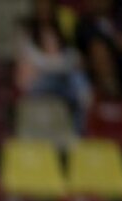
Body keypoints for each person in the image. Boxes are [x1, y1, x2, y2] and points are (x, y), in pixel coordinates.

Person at [16, 0, 93, 130]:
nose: (44, 10)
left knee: (76, 76)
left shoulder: (59, 31)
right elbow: (35, 60)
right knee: (63, 76)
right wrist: (59, 65)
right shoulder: (26, 32)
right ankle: (82, 95)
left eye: (47, 6)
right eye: (41, 6)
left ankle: (79, 130)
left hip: (59, 83)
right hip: (36, 84)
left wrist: (63, 63)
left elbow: (70, 56)